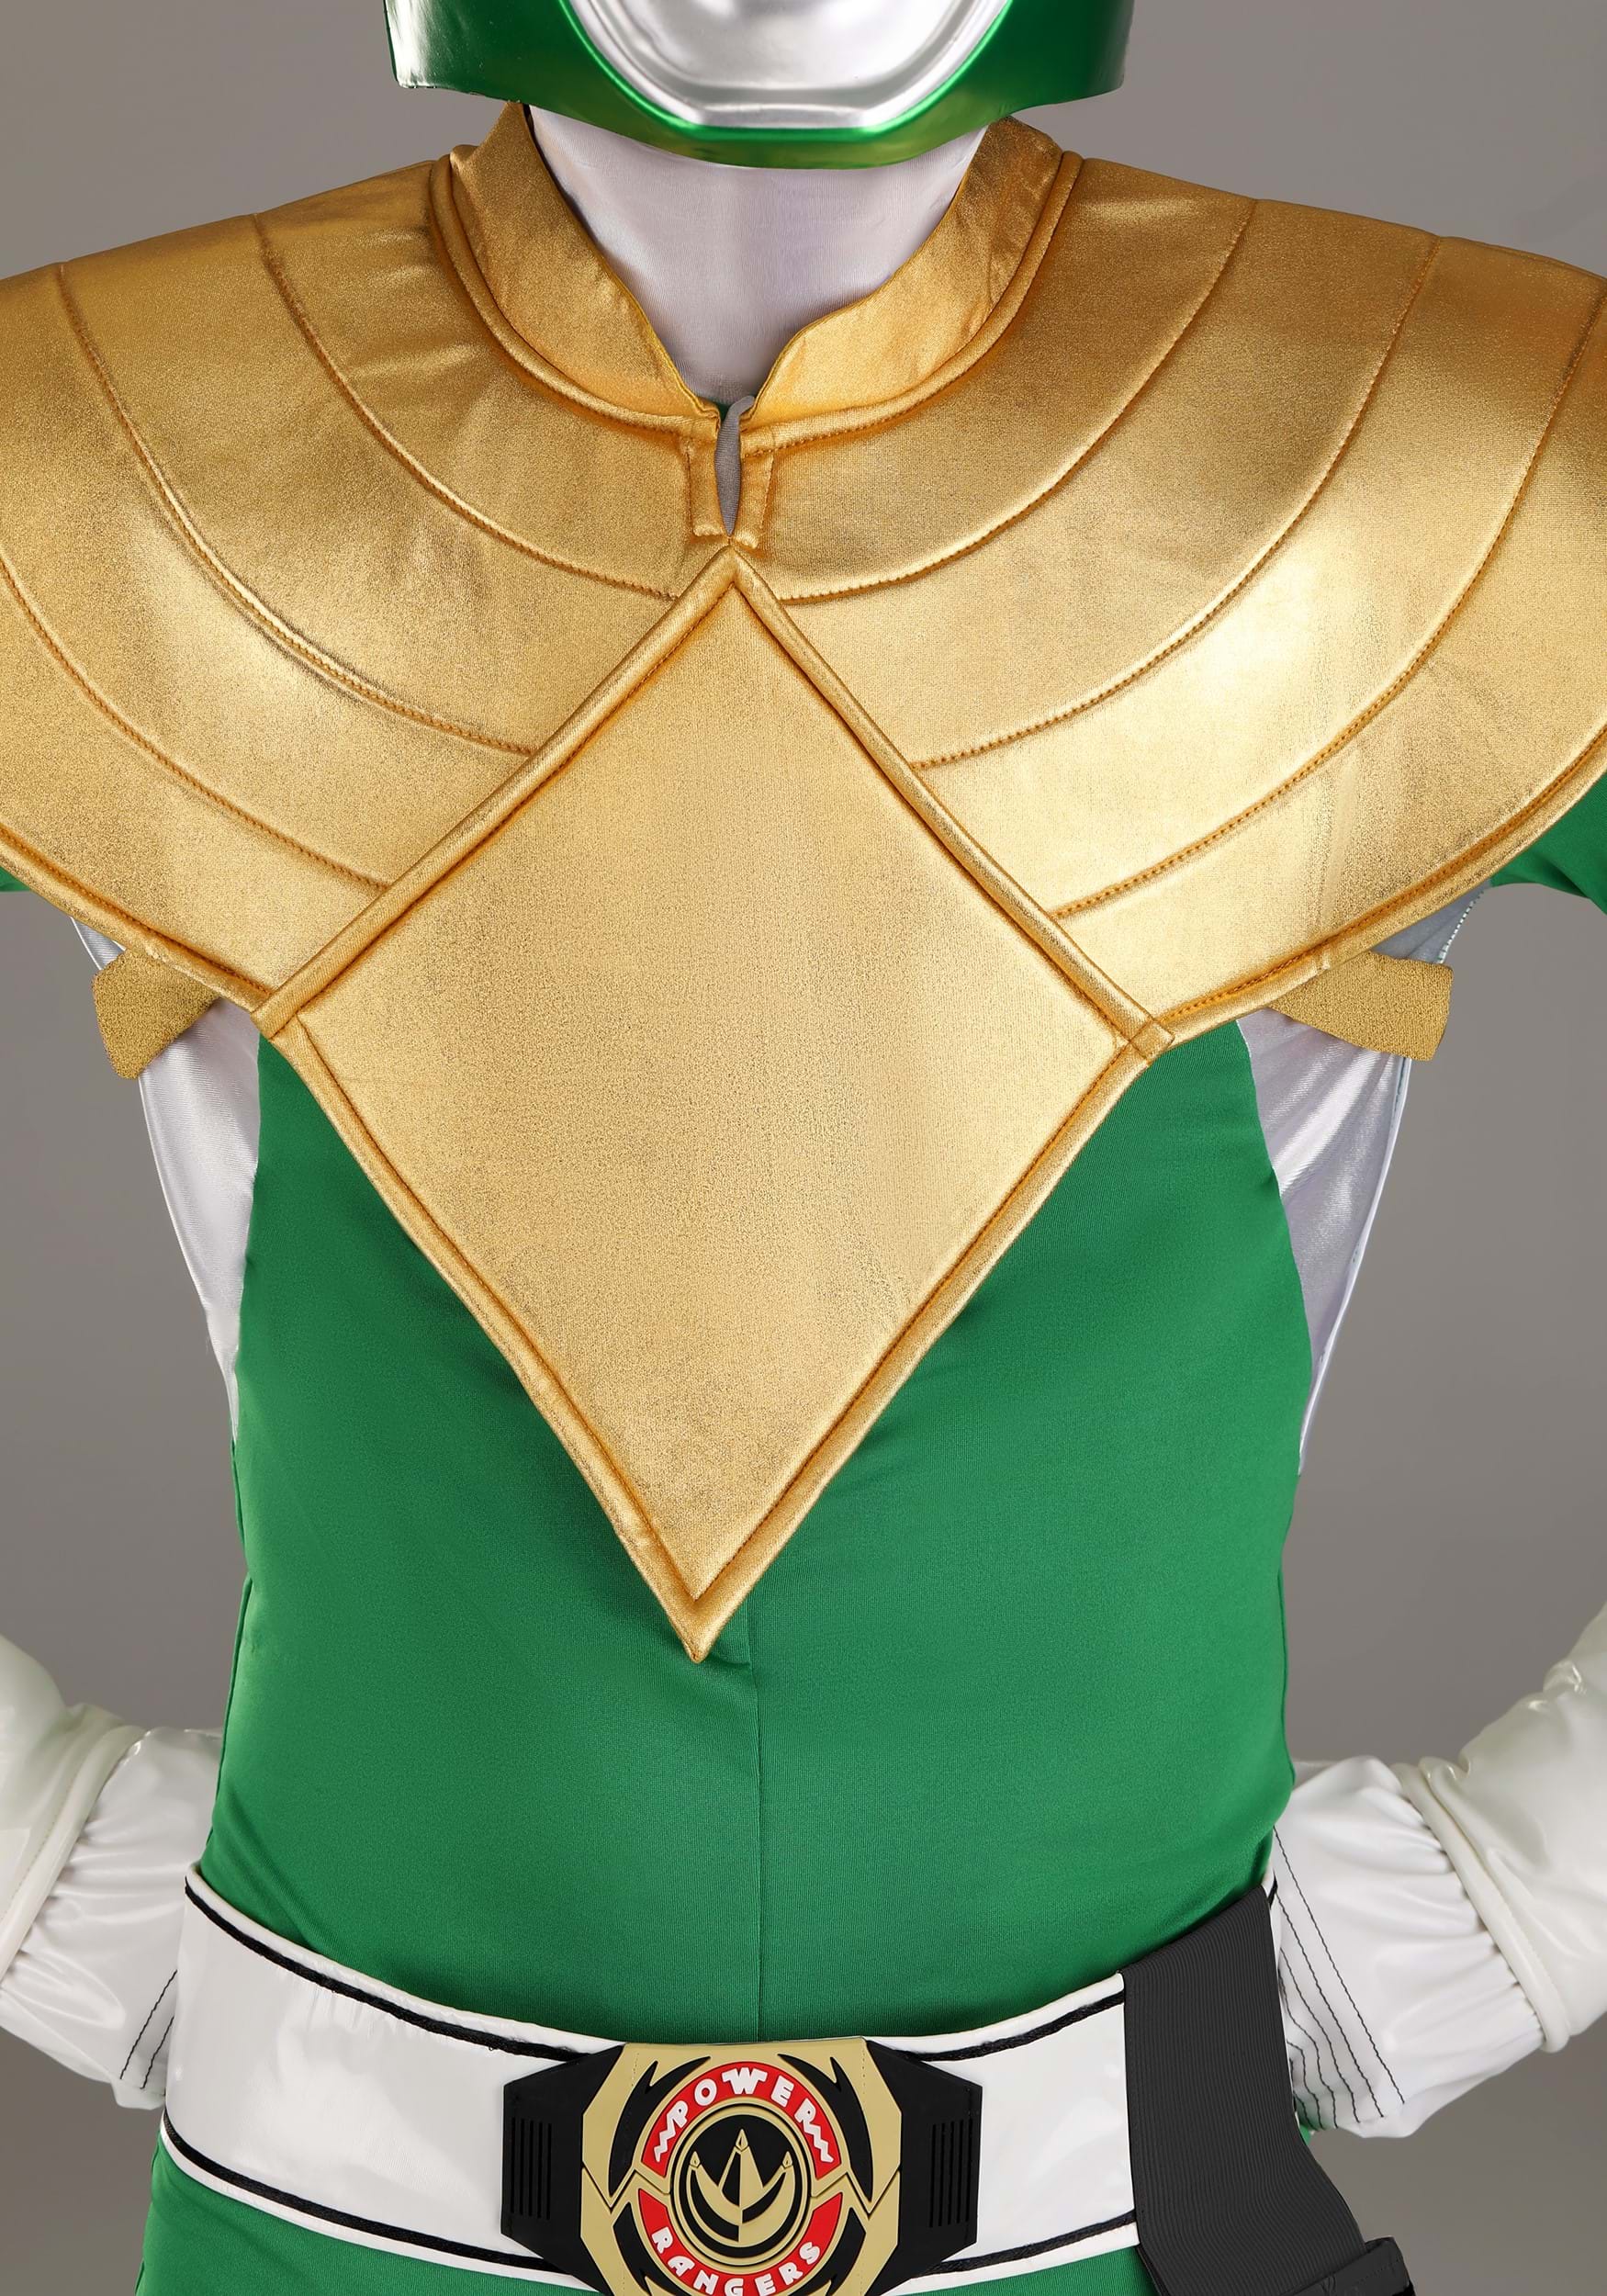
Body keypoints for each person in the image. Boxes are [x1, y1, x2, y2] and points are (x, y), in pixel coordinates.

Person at [0, 4, 1603, 2291]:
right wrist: (34, 1865)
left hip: (1125, 2214)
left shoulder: (1464, 440)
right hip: (328, 2214)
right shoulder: (76, 440)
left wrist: (1517, 1900)